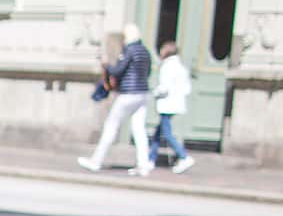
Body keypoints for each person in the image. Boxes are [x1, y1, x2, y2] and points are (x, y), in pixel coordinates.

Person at [78, 23, 153, 175]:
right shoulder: (145, 51)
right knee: (139, 130)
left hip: (128, 94)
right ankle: (143, 164)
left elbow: (118, 71)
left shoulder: (129, 50)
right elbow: (148, 72)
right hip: (143, 93)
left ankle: (96, 161)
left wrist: (106, 64)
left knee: (111, 126)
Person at [151, 41, 197, 173]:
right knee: (158, 133)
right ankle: (150, 158)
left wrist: (155, 93)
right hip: (175, 103)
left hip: (167, 104)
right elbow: (187, 89)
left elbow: (164, 88)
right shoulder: (181, 67)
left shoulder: (167, 66)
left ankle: (184, 156)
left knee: (166, 133)